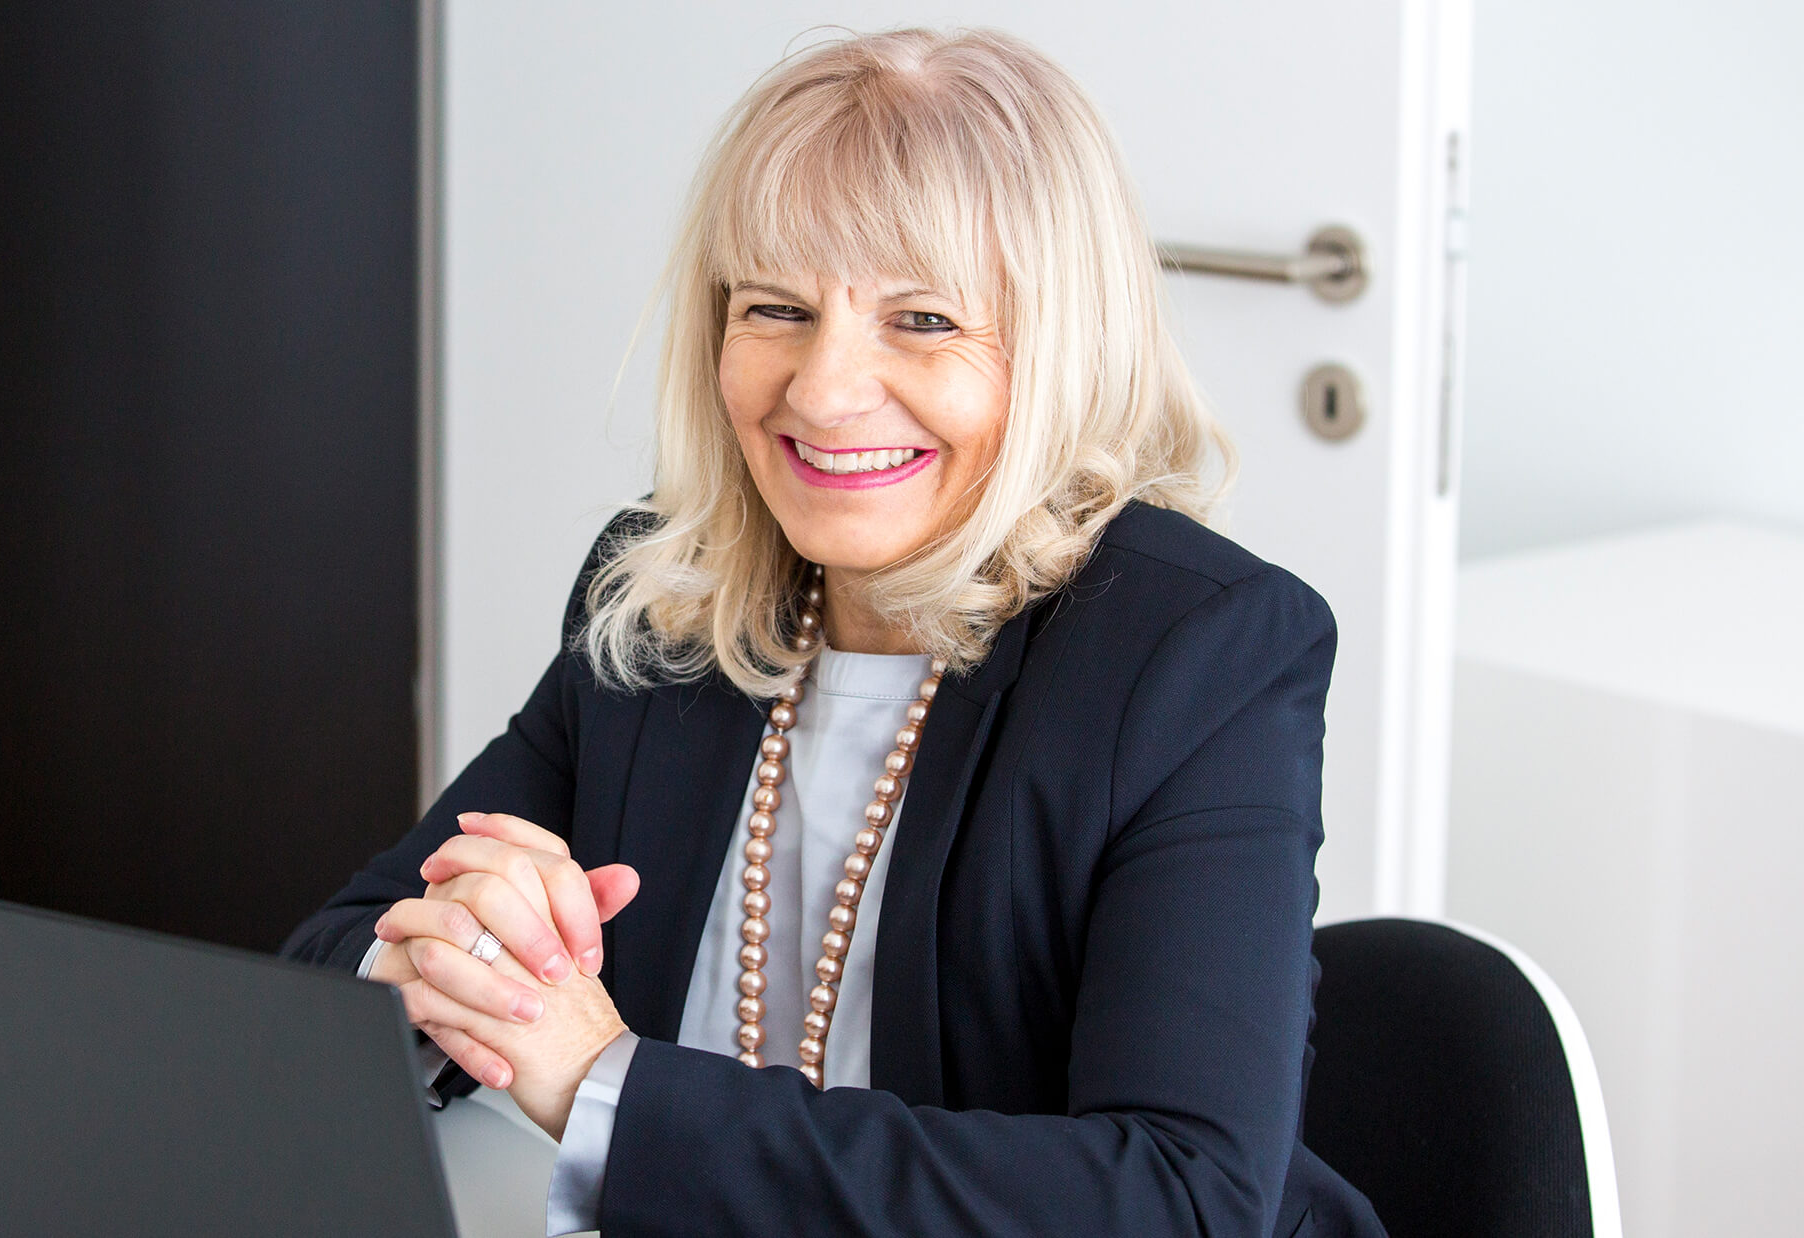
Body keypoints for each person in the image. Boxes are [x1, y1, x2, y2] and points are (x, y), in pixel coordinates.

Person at [283, 26, 1384, 1237]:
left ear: (1062, 348)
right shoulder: (663, 598)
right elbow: (329, 962)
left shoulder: (1201, 653)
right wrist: (449, 962)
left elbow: (1180, 1197)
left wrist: (604, 1083)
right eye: (778, 308)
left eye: (923, 320)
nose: (820, 390)